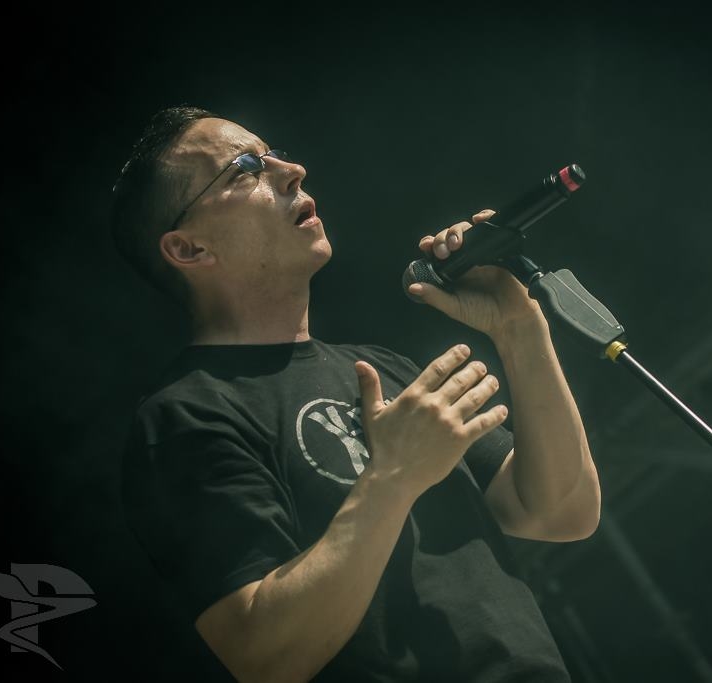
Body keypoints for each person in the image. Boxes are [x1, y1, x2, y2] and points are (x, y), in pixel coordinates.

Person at [112, 105, 601, 683]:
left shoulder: (383, 367)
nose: (291, 170)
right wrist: (393, 477)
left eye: (275, 154)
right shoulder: (187, 415)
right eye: (245, 168)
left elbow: (561, 512)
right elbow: (264, 657)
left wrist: (518, 327)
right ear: (189, 249)